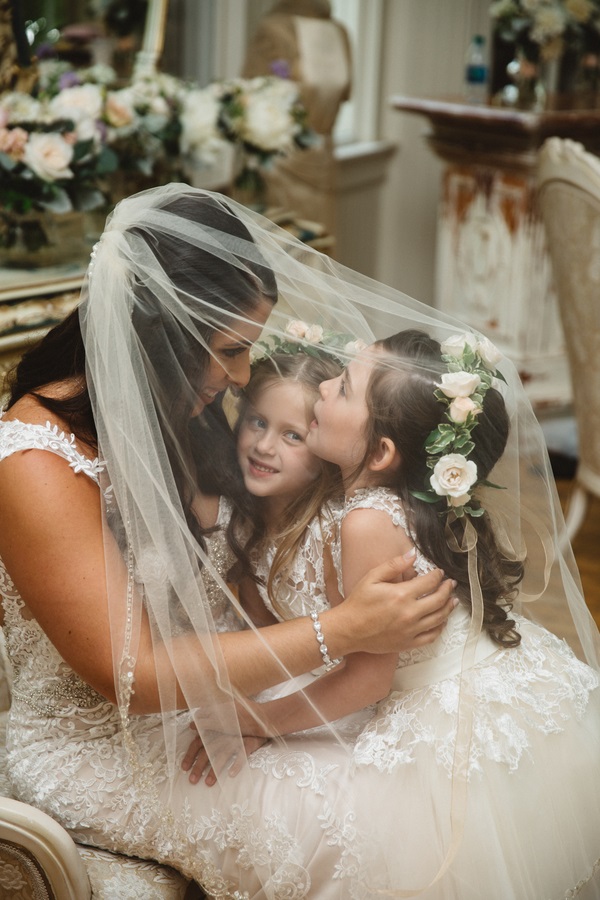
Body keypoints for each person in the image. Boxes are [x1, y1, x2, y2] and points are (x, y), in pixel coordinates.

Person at [0, 184, 459, 899]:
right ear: (160, 336)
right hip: (93, 746)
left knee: (429, 781)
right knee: (359, 830)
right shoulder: (35, 465)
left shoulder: (175, 408)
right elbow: (134, 677)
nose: (244, 377)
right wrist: (342, 628)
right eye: (229, 351)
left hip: (212, 700)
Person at [217, 328, 600, 899]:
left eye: (342, 389)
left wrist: (261, 721)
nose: (323, 386)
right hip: (514, 687)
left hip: (450, 715)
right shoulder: (403, 506)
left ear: (381, 453)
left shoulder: (366, 521)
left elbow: (369, 679)